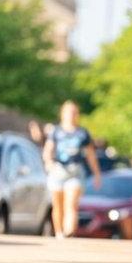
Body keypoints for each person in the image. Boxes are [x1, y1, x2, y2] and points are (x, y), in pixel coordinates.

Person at [42, 101, 101, 239]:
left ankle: (69, 231)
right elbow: (48, 150)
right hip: (58, 170)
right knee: (58, 204)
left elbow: (91, 155)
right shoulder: (56, 131)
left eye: (74, 112)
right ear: (62, 114)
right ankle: (59, 232)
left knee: (72, 203)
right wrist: (48, 162)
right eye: (69, 112)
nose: (72, 115)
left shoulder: (82, 133)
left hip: (75, 171)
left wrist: (97, 174)